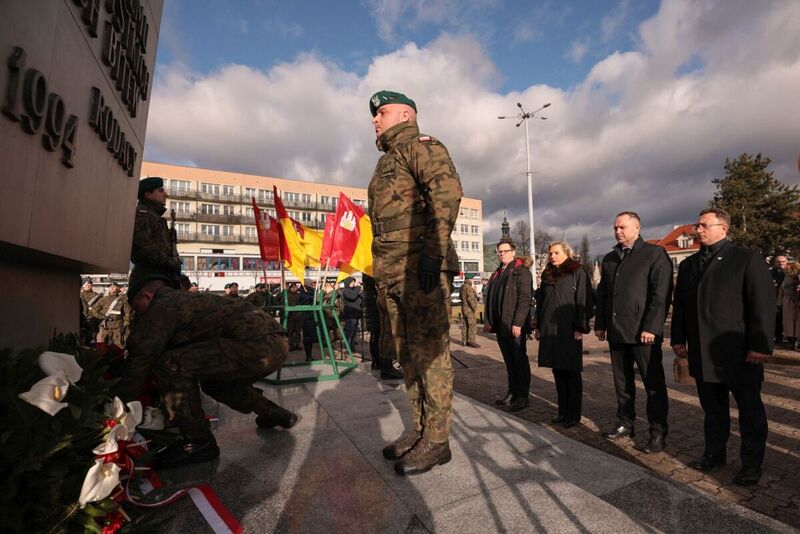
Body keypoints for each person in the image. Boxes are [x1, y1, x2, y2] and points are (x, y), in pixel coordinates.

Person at [368, 90, 463, 475]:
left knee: (430, 353)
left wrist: (432, 255)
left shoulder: (420, 145)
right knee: (407, 355)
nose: (375, 120)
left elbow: (446, 195)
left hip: (419, 267)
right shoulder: (387, 160)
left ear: (406, 114)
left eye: (382, 112)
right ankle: (422, 430)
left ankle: (438, 441)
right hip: (393, 271)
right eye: (375, 115)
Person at [118, 276, 299, 467]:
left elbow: (141, 357)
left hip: (253, 345)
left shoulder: (161, 306)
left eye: (136, 306)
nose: (136, 312)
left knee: (171, 365)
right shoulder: (182, 298)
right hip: (275, 343)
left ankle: (198, 441)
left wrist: (118, 406)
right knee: (215, 385)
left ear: (146, 296)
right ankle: (275, 414)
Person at [671, 207, 774, 486]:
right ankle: (714, 455)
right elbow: (680, 306)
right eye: (697, 225)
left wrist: (760, 345)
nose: (698, 230)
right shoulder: (689, 265)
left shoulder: (746, 258)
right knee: (713, 411)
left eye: (704, 225)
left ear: (723, 228)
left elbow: (762, 305)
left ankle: (751, 465)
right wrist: (678, 338)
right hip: (703, 353)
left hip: (739, 353)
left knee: (750, 412)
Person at [595, 211, 672, 453]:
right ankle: (625, 423)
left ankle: (657, 432)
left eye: (623, 227)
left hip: (643, 333)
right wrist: (600, 324)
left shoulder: (654, 254)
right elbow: (603, 294)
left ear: (637, 228)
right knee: (622, 382)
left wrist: (651, 326)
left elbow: (661, 294)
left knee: (653, 384)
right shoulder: (610, 258)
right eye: (615, 228)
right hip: (617, 330)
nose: (618, 231)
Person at [534, 241, 593, 428]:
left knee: (571, 372)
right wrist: (537, 325)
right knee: (557, 371)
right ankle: (562, 411)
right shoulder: (547, 273)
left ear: (567, 253)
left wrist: (580, 327)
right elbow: (541, 302)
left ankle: (573, 414)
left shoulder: (577, 272)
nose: (552, 256)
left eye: (556, 253)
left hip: (568, 329)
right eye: (550, 253)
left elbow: (584, 300)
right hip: (549, 329)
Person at [484, 239, 533, 412]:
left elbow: (525, 299)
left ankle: (522, 396)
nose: (502, 254)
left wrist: (518, 323)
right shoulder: (498, 272)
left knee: (519, 361)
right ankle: (512, 392)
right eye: (500, 251)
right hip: (501, 325)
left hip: (514, 325)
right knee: (509, 362)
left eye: (505, 251)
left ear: (513, 252)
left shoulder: (521, 272)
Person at [129, 177, 181, 302]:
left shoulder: (155, 217)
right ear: (148, 194)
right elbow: (143, 246)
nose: (165, 194)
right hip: (149, 276)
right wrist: (169, 262)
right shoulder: (143, 215)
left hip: (160, 275)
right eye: (160, 191)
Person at [95, 282, 131, 347]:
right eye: (110, 287)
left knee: (118, 345)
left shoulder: (122, 300)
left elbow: (127, 312)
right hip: (106, 326)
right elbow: (94, 310)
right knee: (104, 345)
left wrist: (126, 323)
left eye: (114, 287)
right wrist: (101, 316)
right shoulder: (103, 299)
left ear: (118, 288)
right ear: (108, 288)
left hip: (118, 327)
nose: (112, 288)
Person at [776, 261, 799, 349]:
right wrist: (779, 303)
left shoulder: (797, 278)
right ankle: (792, 340)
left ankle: (796, 340)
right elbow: (781, 291)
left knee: (796, 322)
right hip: (787, 303)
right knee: (788, 322)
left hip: (795, 302)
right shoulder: (786, 278)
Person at [341, 277, 363, 354]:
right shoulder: (346, 291)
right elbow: (352, 297)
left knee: (354, 333)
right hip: (350, 315)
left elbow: (359, 297)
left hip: (355, 314)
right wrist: (358, 287)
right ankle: (348, 348)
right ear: (348, 282)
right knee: (349, 333)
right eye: (352, 282)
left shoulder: (353, 290)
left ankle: (352, 348)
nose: (354, 283)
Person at [80, 278, 102, 344]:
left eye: (90, 284)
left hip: (92, 318)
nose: (88, 286)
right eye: (87, 284)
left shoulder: (97, 296)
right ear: (83, 285)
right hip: (81, 318)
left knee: (92, 338)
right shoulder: (79, 295)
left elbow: (101, 307)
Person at [771, 255, 788, 344]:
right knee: (778, 319)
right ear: (775, 263)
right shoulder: (770, 273)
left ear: (786, 262)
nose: (781, 263)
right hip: (776, 300)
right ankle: (778, 338)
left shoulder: (792, 272)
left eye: (783, 261)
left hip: (790, 300)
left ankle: (791, 338)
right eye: (778, 262)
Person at [459, 278, 479, 347]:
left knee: (465, 325)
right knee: (472, 325)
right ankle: (472, 342)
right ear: (469, 280)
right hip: (469, 309)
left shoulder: (462, 287)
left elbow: (460, 297)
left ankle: (464, 341)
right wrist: (475, 308)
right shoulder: (469, 287)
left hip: (463, 308)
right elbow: (470, 299)